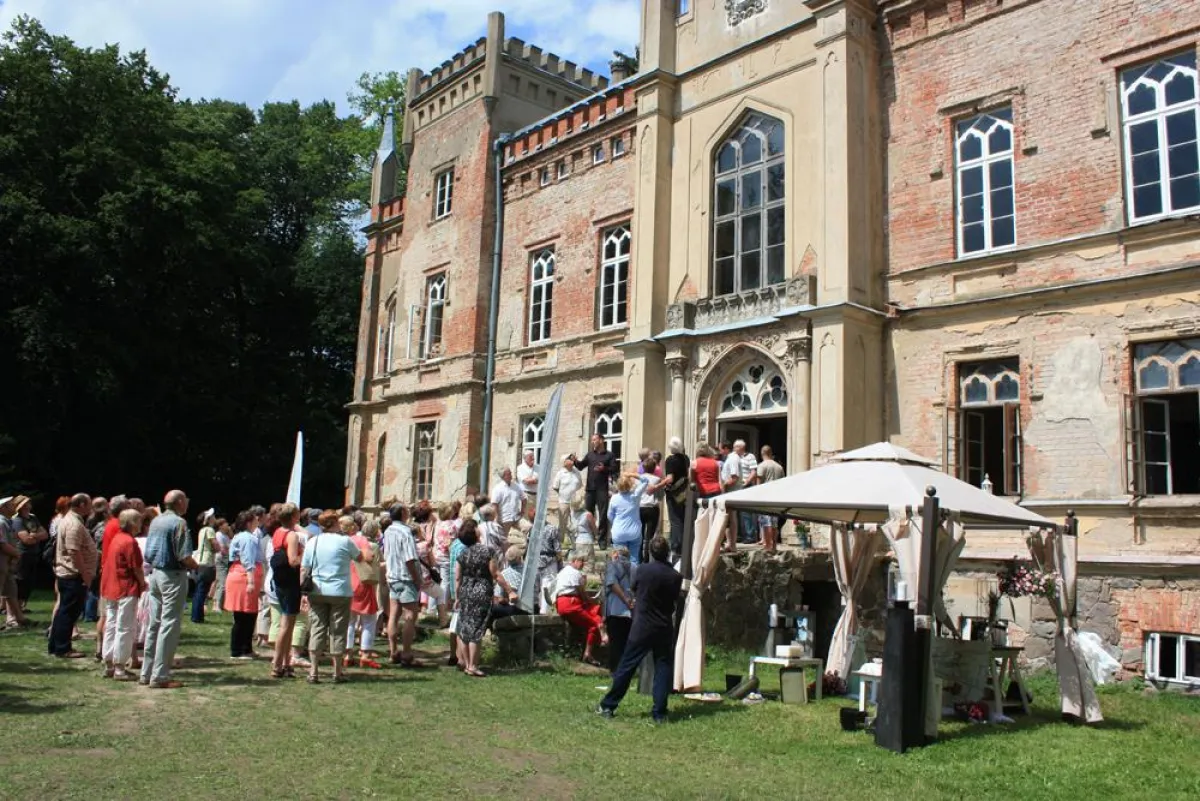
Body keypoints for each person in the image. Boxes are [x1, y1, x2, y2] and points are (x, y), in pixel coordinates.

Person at [597, 536, 683, 724]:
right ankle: (660, 712)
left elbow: (634, 589)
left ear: (651, 552)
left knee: (627, 666)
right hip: (663, 625)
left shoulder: (643, 570)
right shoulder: (675, 576)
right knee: (662, 668)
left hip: (642, 625)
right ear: (667, 552)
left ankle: (608, 705)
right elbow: (675, 601)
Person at [301, 509, 370, 684]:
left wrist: (303, 593)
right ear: (333, 523)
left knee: (317, 629)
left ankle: (314, 671)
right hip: (340, 591)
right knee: (338, 631)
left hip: (317, 590)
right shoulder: (345, 541)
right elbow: (361, 558)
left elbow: (304, 568)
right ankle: (337, 671)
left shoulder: (313, 542)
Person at [140, 489, 198, 689]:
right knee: (169, 625)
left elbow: (149, 552)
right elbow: (184, 555)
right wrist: (197, 566)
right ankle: (160, 676)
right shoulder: (179, 523)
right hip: (172, 575)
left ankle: (146, 672)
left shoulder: (156, 520)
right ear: (180, 502)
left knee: (154, 624)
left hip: (155, 575)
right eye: (186, 499)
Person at [454, 520, 518, 677]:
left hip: (465, 592)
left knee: (463, 629)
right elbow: (495, 574)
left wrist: (457, 597)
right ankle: (473, 665)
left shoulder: (462, 553)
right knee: (476, 630)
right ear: (474, 534)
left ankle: (466, 664)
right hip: (481, 592)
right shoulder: (487, 551)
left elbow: (457, 578)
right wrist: (510, 591)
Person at [49, 494, 97, 659]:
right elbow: (73, 551)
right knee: (68, 613)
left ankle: (56, 645)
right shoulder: (73, 524)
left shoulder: (70, 520)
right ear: (82, 504)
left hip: (69, 574)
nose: (91, 508)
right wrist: (85, 575)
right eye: (89, 504)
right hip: (73, 575)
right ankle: (63, 648)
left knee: (64, 611)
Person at [100, 508, 146, 680]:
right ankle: (120, 667)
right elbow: (136, 568)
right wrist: (142, 582)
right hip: (125, 588)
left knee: (111, 624)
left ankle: (109, 663)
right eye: (139, 521)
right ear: (133, 523)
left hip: (111, 588)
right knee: (125, 627)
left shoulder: (117, 538)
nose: (141, 524)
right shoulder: (129, 542)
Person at [383, 503, 424, 667]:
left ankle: (393, 651)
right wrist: (416, 578)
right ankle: (407, 653)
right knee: (409, 616)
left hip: (392, 576)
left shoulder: (388, 530)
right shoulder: (405, 531)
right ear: (402, 513)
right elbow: (409, 559)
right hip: (405, 577)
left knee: (393, 615)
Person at [269, 503, 304, 679]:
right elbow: (292, 561)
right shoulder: (291, 536)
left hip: (279, 580)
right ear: (293, 517)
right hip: (290, 581)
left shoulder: (277, 532)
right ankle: (277, 664)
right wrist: (304, 555)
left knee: (288, 623)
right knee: (286, 624)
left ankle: (286, 663)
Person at [554, 550, 607, 666]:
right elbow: (582, 593)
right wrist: (591, 599)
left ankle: (588, 654)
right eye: (581, 561)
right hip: (571, 604)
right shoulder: (574, 572)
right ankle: (603, 635)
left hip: (562, 604)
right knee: (595, 621)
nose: (583, 564)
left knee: (592, 622)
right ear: (574, 561)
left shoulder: (562, 572)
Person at [345, 516, 382, 669]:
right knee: (368, 620)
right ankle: (365, 653)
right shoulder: (370, 545)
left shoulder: (347, 541)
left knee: (350, 621)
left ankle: (347, 654)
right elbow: (374, 562)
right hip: (364, 583)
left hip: (348, 582)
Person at [226, 511, 263, 660]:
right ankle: (238, 650)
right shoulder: (248, 538)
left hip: (241, 575)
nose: (258, 522)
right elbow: (247, 560)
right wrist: (251, 581)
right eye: (255, 520)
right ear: (248, 523)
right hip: (243, 577)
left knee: (249, 614)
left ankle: (246, 648)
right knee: (243, 616)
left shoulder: (241, 536)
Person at [576, 433, 616, 548]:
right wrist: (574, 461)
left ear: (601, 440)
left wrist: (604, 468)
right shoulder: (590, 455)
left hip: (602, 490)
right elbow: (580, 466)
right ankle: (590, 537)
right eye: (592, 440)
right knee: (588, 513)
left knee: (603, 515)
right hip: (590, 489)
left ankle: (602, 541)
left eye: (595, 440)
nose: (593, 442)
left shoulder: (609, 455)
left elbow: (614, 469)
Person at [10, 495, 48, 613]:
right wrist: (36, 536)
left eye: (29, 503)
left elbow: (45, 534)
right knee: (20, 580)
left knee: (29, 581)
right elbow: (26, 539)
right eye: (25, 503)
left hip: (33, 553)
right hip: (22, 554)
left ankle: (22, 606)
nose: (28, 505)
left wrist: (34, 536)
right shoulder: (17, 520)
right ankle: (14, 608)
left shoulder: (33, 518)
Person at [608, 472, 652, 565]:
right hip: (634, 531)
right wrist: (632, 474)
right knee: (634, 558)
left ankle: (621, 577)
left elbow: (609, 515)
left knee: (619, 559)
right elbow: (645, 481)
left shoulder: (614, 498)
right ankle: (633, 576)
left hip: (618, 531)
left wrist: (615, 523)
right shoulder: (634, 496)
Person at [603, 545, 635, 673]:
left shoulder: (613, 565)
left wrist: (625, 599)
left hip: (616, 609)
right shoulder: (635, 567)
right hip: (630, 611)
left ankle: (615, 670)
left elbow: (612, 584)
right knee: (626, 641)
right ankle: (626, 670)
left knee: (615, 642)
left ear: (616, 554)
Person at [0, 497, 27, 630]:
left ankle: (19, 619)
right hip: (2, 561)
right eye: (10, 504)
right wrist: (17, 553)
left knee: (11, 591)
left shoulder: (8, 522)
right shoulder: (1, 522)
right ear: (3, 508)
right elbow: (2, 544)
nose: (13, 506)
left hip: (7, 562)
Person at [662, 438, 691, 560]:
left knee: (675, 520)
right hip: (684, 492)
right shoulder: (686, 458)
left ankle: (676, 547)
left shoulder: (670, 460)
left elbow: (670, 478)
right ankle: (684, 545)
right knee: (683, 518)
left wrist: (658, 484)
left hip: (673, 494)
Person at [756, 445, 786, 552]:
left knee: (765, 523)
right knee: (774, 523)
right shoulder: (779, 467)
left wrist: (756, 497)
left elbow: (758, 484)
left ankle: (768, 545)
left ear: (762, 453)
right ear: (771, 452)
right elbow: (783, 483)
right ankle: (774, 545)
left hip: (765, 497)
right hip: (776, 498)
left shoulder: (762, 465)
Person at [191, 510, 218, 624]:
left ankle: (197, 615)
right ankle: (197, 617)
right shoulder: (210, 530)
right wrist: (219, 548)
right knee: (202, 591)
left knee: (199, 590)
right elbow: (215, 545)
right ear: (208, 519)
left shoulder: (202, 530)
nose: (215, 517)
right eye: (213, 516)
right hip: (207, 563)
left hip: (199, 562)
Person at [551, 454, 583, 544]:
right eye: (569, 459)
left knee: (574, 522)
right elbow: (555, 487)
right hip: (563, 501)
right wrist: (563, 494)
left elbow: (580, 485)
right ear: (564, 462)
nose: (571, 460)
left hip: (575, 502)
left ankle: (574, 542)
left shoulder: (576, 471)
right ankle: (560, 542)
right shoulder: (560, 473)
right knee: (563, 524)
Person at [638, 455, 663, 564]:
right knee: (650, 536)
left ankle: (639, 557)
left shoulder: (638, 478)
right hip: (652, 508)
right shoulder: (657, 479)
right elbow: (660, 496)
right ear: (654, 468)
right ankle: (647, 558)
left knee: (640, 534)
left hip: (640, 507)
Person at [490, 545, 525, 624]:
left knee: (493, 608)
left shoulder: (503, 574)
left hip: (515, 609)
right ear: (520, 558)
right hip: (533, 607)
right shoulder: (531, 571)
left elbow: (500, 599)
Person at [491, 468, 525, 538]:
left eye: (510, 473)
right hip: (504, 519)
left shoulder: (516, 486)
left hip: (516, 518)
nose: (511, 475)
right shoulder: (498, 488)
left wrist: (522, 511)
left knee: (528, 528)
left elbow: (524, 498)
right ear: (503, 476)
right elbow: (494, 504)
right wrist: (496, 518)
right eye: (509, 474)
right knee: (505, 540)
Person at [210, 518, 231, 615]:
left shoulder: (226, 535)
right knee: (221, 583)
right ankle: (216, 605)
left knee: (223, 583)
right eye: (226, 523)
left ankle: (222, 604)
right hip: (221, 560)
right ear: (220, 526)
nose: (228, 525)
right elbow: (223, 549)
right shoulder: (218, 535)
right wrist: (228, 548)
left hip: (225, 560)